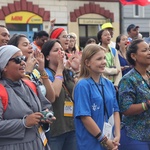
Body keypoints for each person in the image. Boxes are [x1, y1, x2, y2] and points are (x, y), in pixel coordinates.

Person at [0, 45, 55, 150]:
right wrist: (24, 123)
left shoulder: (30, 85)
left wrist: (46, 116)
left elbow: (46, 106)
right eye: (18, 60)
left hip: (38, 143)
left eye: (23, 58)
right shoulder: (1, 90)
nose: (23, 62)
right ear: (4, 66)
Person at [73, 44, 120, 150]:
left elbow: (115, 110)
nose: (104, 62)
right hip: (90, 143)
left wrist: (117, 136)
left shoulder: (108, 84)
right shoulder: (83, 85)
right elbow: (85, 117)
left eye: (104, 58)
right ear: (87, 62)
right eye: (99, 59)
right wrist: (104, 140)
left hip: (110, 140)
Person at [41, 39, 77, 150]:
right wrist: (60, 69)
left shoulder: (68, 72)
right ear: (47, 57)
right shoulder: (45, 74)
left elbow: (76, 93)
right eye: (56, 50)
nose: (61, 52)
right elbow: (54, 95)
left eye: (61, 49)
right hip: (55, 130)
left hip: (71, 127)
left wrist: (76, 70)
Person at [118, 39, 150, 150]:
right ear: (134, 56)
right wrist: (147, 105)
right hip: (135, 136)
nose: (149, 52)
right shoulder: (128, 79)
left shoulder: (148, 75)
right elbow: (125, 108)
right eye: (145, 50)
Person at [8, 34, 55, 102]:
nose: (30, 47)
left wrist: (42, 70)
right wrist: (27, 71)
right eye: (25, 45)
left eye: (30, 44)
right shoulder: (14, 71)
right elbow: (24, 96)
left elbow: (51, 98)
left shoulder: (35, 70)